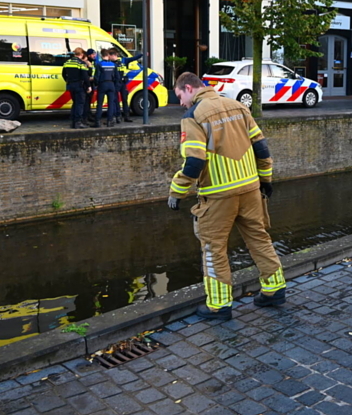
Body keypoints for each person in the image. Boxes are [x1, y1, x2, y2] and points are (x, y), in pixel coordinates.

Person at [167, 72, 286, 320]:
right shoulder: (238, 106)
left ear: (189, 88)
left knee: (213, 249)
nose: (181, 103)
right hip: (251, 189)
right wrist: (266, 180)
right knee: (259, 238)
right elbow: (261, 147)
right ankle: (274, 290)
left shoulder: (193, 116)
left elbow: (195, 160)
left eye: (179, 96)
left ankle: (219, 305)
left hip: (218, 196)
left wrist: (177, 191)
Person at [62, 48, 91, 129]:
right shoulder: (81, 63)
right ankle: (78, 122)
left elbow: (63, 74)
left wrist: (68, 81)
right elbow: (85, 76)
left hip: (71, 85)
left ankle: (73, 122)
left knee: (75, 103)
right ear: (81, 54)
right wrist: (88, 86)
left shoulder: (67, 62)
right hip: (79, 85)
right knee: (80, 104)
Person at [94, 49, 120, 127]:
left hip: (102, 85)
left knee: (100, 104)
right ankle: (109, 121)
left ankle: (97, 122)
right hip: (111, 84)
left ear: (102, 56)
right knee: (111, 104)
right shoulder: (113, 65)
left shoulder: (99, 64)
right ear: (108, 56)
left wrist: (96, 84)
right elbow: (117, 77)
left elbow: (96, 76)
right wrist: (114, 85)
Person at [115, 50, 144, 122]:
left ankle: (126, 116)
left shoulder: (124, 60)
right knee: (116, 100)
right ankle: (118, 116)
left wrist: (141, 55)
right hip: (116, 83)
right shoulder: (111, 62)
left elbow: (133, 58)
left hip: (123, 83)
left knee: (125, 100)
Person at [83, 48, 99, 127]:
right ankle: (85, 118)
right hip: (87, 84)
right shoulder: (86, 62)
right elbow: (86, 74)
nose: (94, 55)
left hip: (91, 84)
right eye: (93, 54)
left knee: (88, 102)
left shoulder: (92, 62)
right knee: (86, 102)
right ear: (89, 55)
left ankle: (89, 115)